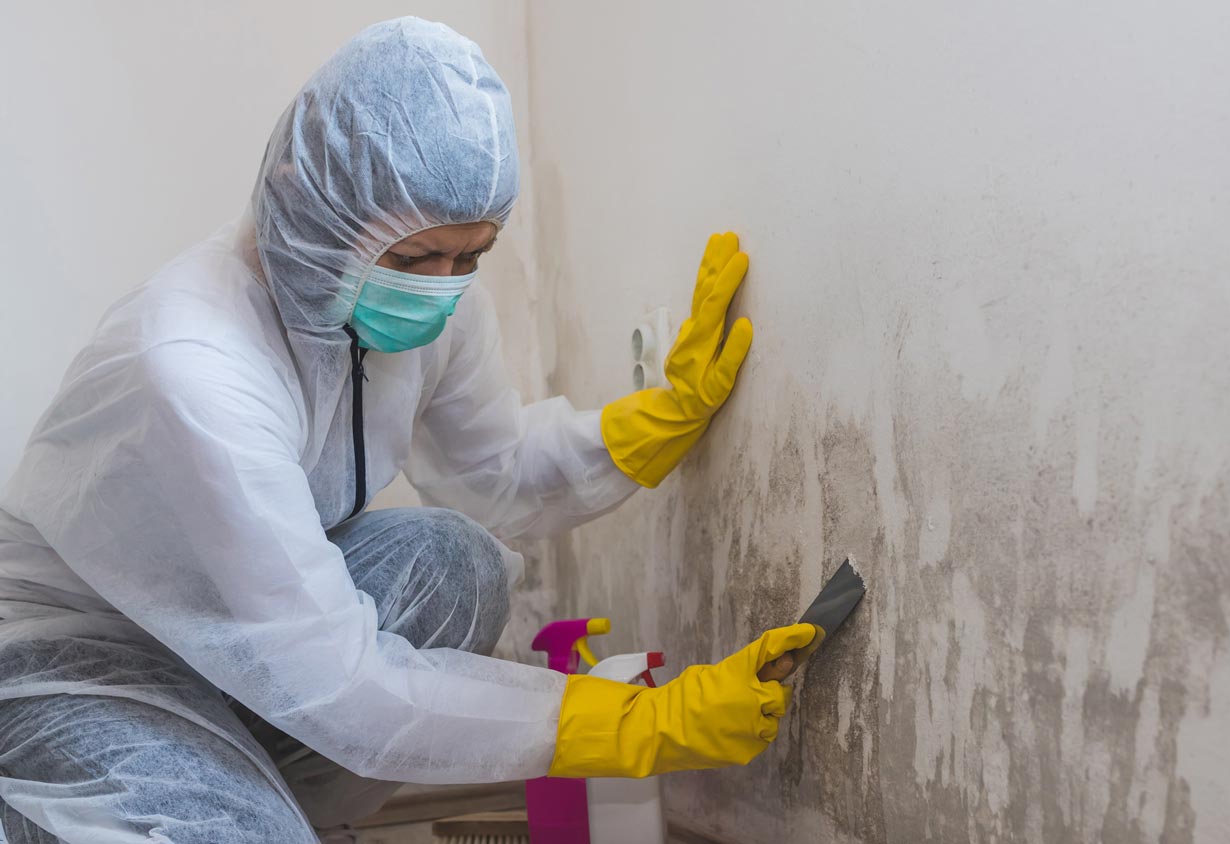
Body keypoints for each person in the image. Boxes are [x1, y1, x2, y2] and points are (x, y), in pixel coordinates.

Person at [0, 17, 812, 844]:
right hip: (82, 657)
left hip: (243, 645)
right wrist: (640, 723)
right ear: (304, 196)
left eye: (473, 256)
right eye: (417, 259)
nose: (443, 288)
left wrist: (654, 424)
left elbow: (493, 473)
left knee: (451, 563)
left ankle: (251, 808)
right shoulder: (194, 363)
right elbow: (340, 682)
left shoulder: (430, 303)